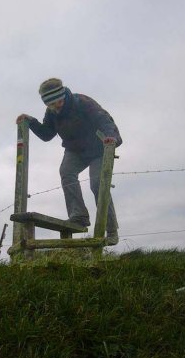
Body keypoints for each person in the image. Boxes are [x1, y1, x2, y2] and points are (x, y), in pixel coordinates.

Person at [16, 78, 122, 245]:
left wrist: (111, 138)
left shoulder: (83, 102)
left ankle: (111, 231)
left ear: (63, 94)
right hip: (76, 150)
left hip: (100, 147)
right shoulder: (52, 113)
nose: (56, 106)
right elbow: (46, 134)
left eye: (58, 101)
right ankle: (78, 216)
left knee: (97, 184)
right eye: (51, 104)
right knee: (66, 172)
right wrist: (31, 122)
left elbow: (104, 120)